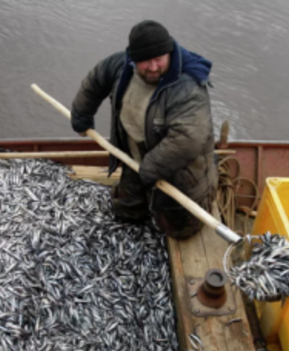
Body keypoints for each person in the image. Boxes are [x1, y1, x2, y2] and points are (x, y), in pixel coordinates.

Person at [70, 20, 218, 239]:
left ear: (169, 52)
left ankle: (173, 209)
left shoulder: (188, 87)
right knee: (126, 213)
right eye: (145, 62)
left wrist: (147, 170)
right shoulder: (120, 67)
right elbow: (95, 81)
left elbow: (187, 140)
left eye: (158, 59)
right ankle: (138, 204)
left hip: (179, 172)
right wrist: (82, 117)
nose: (153, 67)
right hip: (134, 158)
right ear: (133, 59)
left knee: (180, 231)